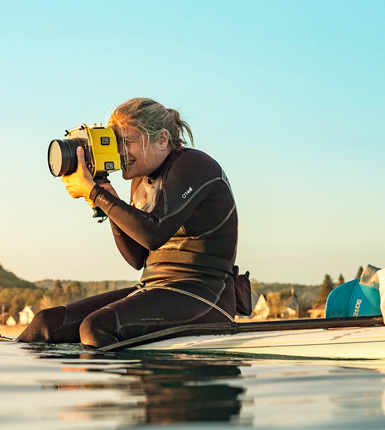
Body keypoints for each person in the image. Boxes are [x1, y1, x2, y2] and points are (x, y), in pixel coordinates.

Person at [18, 98, 238, 347]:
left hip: (204, 294)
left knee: (96, 327)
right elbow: (137, 257)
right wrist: (106, 199)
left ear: (162, 140)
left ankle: (109, 384)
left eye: (127, 141)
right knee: (46, 323)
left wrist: (95, 193)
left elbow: (153, 233)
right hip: (154, 286)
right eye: (115, 141)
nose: (120, 151)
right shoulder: (141, 178)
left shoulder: (195, 165)